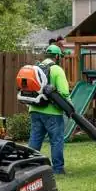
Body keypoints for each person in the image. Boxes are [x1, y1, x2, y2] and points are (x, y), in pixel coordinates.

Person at [28, 45, 70, 175]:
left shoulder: (35, 68)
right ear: (57, 56)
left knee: (35, 139)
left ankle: (29, 167)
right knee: (56, 141)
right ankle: (58, 169)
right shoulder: (57, 70)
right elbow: (64, 92)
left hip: (35, 109)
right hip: (52, 113)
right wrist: (69, 107)